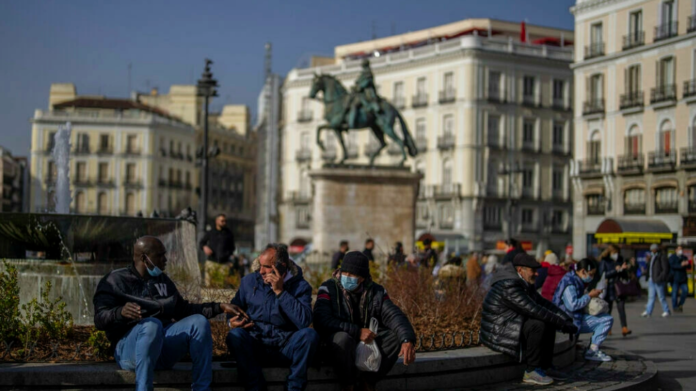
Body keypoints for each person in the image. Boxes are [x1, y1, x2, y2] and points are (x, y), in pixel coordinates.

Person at [93, 236, 243, 391]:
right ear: (145, 258)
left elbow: (184, 311)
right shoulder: (115, 280)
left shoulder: (163, 280)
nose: (165, 259)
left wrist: (220, 307)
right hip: (129, 350)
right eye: (160, 255)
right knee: (152, 325)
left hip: (162, 347)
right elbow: (99, 319)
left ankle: (202, 388)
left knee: (198, 322)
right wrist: (119, 312)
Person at [313, 251, 416, 391]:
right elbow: (322, 320)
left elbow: (393, 315)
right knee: (342, 338)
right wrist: (357, 332)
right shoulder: (328, 288)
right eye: (345, 273)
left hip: (368, 342)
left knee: (394, 338)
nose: (347, 277)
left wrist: (407, 339)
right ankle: (348, 384)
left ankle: (367, 382)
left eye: (352, 275)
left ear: (362, 278)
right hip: (339, 345)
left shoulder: (376, 291)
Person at [226, 243, 319, 391]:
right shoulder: (249, 282)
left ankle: (294, 387)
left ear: (281, 266)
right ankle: (256, 387)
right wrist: (232, 323)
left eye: (267, 267)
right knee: (234, 336)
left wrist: (281, 292)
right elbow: (233, 310)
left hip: (285, 346)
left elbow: (304, 321)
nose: (261, 271)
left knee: (309, 335)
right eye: (260, 265)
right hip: (257, 344)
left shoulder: (300, 286)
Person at [481, 253, 577, 386]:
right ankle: (532, 371)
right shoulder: (510, 285)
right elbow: (533, 309)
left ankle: (545, 366)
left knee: (547, 322)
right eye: (533, 271)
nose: (537, 274)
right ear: (520, 270)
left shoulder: (523, 282)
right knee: (538, 325)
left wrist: (566, 319)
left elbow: (543, 303)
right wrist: (562, 324)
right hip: (498, 330)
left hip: (512, 323)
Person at [553, 258, 614, 362]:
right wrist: (589, 296)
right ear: (582, 271)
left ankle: (593, 348)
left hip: (571, 317)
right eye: (591, 274)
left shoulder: (574, 279)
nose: (592, 277)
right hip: (568, 321)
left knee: (606, 318)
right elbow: (572, 305)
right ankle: (592, 351)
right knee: (606, 320)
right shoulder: (570, 283)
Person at [598, 244, 632, 337]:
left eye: (617, 253)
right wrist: (615, 270)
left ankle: (624, 328)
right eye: (615, 252)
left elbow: (624, 275)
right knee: (608, 310)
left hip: (619, 287)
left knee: (621, 309)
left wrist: (624, 269)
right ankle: (608, 328)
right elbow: (603, 274)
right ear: (611, 252)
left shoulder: (620, 259)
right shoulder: (605, 261)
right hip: (609, 288)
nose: (616, 255)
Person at [199, 213, 236, 287]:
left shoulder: (229, 233)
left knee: (221, 286)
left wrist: (228, 255)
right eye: (222, 221)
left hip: (224, 264)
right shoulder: (211, 232)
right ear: (217, 221)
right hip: (211, 262)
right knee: (208, 286)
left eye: (225, 221)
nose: (224, 223)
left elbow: (232, 247)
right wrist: (205, 247)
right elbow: (202, 243)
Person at [346, 59, 382, 129]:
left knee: (354, 105)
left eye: (364, 65)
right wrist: (355, 87)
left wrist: (359, 87)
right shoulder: (363, 73)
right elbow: (359, 82)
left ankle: (351, 122)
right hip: (361, 92)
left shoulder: (368, 73)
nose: (363, 67)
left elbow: (367, 82)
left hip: (367, 93)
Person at [642, 243, 671, 318]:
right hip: (651, 279)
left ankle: (666, 310)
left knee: (661, 296)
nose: (652, 251)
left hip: (658, 280)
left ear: (656, 249)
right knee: (651, 297)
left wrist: (660, 277)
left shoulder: (661, 257)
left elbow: (665, 269)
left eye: (653, 249)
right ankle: (648, 311)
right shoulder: (652, 257)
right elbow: (650, 268)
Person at [669, 246, 690, 313]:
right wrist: (681, 265)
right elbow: (672, 266)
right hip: (675, 278)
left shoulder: (684, 257)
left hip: (683, 278)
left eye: (681, 249)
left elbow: (688, 266)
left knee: (685, 291)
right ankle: (675, 307)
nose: (680, 250)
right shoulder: (672, 257)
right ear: (676, 250)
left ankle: (680, 304)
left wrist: (687, 264)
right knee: (674, 293)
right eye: (679, 249)